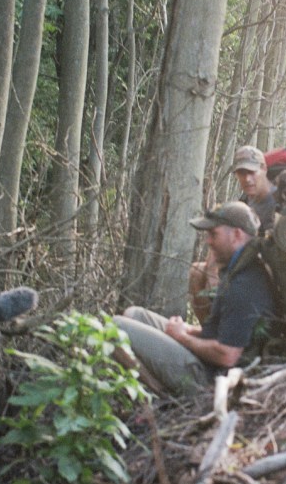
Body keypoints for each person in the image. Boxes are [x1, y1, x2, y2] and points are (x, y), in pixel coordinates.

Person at [116, 201, 275, 397]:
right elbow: (225, 331)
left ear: (237, 235)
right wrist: (189, 330)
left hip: (212, 379)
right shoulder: (237, 268)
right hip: (210, 363)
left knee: (116, 328)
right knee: (134, 314)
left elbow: (227, 355)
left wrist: (182, 337)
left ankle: (163, 398)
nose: (208, 241)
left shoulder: (245, 284)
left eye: (213, 234)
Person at [188, 145, 276, 320]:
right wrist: (213, 270)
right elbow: (219, 232)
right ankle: (210, 332)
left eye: (252, 172)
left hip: (264, 272)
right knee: (197, 272)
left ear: (264, 169)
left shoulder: (278, 202)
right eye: (242, 173)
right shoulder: (245, 200)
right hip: (241, 265)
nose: (247, 179)